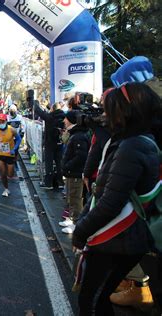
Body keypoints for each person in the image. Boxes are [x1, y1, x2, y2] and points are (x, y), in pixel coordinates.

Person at [72, 83, 161, 315]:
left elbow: (110, 202)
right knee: (99, 299)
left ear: (124, 111)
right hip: (125, 238)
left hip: (118, 238)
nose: (104, 116)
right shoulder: (137, 140)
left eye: (107, 110)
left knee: (91, 301)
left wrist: (80, 231)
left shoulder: (132, 146)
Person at [58, 110, 90, 234]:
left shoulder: (78, 136)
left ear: (71, 120)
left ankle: (77, 224)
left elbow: (81, 156)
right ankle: (72, 220)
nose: (64, 121)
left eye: (66, 119)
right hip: (72, 172)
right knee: (71, 197)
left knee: (76, 198)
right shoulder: (76, 134)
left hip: (75, 173)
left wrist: (66, 166)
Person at [33, 101, 65, 189]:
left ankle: (49, 183)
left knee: (49, 163)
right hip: (60, 142)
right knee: (59, 163)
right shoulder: (64, 117)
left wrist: (34, 103)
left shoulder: (50, 117)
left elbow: (39, 112)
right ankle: (60, 182)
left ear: (52, 109)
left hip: (50, 143)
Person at [0, 114, 22, 197]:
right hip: (0, 154)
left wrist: (14, 149)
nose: (1, 123)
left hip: (10, 154)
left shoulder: (12, 130)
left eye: (2, 121)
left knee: (10, 174)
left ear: (6, 121)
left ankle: (10, 172)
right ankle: (6, 189)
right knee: (3, 173)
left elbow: (18, 139)